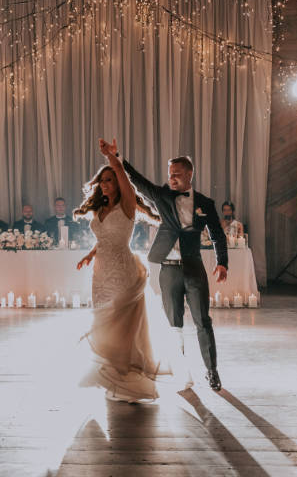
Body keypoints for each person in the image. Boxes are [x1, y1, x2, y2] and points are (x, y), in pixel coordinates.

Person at [117, 141, 229, 391]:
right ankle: (181, 373)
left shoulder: (205, 203)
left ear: (190, 174)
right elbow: (137, 180)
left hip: (194, 267)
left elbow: (217, 236)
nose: (172, 179)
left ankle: (212, 372)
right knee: (174, 324)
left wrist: (222, 262)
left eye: (177, 175)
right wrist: (117, 158)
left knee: (203, 321)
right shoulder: (163, 196)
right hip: (167, 269)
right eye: (170, 175)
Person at [74, 146, 163, 402]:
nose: (104, 184)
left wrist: (113, 160)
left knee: (122, 322)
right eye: (102, 181)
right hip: (101, 272)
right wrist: (90, 255)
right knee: (104, 322)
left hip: (122, 269)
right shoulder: (99, 209)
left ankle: (127, 378)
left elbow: (126, 181)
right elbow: (104, 237)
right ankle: (111, 375)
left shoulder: (127, 205)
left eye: (109, 180)